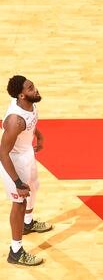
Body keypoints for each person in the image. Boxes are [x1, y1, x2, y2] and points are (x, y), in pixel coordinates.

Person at [1, 75, 52, 266]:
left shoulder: (30, 103)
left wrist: (38, 135)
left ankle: (28, 223)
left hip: (26, 153)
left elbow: (31, 123)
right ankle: (15, 252)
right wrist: (16, 182)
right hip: (13, 162)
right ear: (22, 96)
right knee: (19, 201)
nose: (35, 89)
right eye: (30, 88)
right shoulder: (15, 121)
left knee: (34, 186)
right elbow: (3, 153)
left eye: (33, 86)